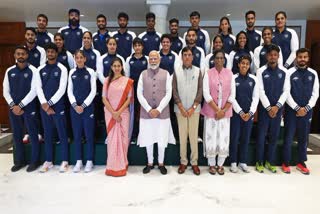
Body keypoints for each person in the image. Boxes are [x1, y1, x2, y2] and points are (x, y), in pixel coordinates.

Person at [3, 45, 40, 172]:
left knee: (32, 134)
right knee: (17, 135)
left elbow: (34, 90)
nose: (20, 56)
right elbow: (5, 91)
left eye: (23, 54)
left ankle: (34, 161)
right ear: (14, 56)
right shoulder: (9, 71)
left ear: (27, 55)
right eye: (18, 54)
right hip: (13, 108)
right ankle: (20, 161)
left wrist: (21, 105)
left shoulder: (33, 70)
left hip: (29, 107)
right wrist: (14, 105)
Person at [137, 51, 175, 175]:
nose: (153, 60)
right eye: (151, 58)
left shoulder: (166, 74)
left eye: (155, 58)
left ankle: (161, 163)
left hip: (162, 113)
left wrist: (159, 109)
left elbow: (169, 93)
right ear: (149, 60)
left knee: (161, 138)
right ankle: (149, 162)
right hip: (146, 113)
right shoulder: (143, 74)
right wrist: (149, 109)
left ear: (159, 60)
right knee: (148, 137)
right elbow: (139, 93)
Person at [282, 48, 319, 175]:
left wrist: (306, 108)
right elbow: (286, 93)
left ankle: (301, 162)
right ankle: (285, 162)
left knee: (304, 138)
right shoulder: (289, 73)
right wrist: (297, 108)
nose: (302, 59)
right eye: (300, 57)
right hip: (292, 111)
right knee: (288, 137)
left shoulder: (313, 74)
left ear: (308, 59)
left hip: (307, 111)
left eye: (305, 57)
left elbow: (315, 93)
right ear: (296, 58)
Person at [35, 43, 69, 173]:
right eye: (48, 52)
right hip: (44, 107)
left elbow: (62, 88)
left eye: (52, 52)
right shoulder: (40, 69)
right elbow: (38, 87)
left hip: (58, 105)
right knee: (47, 134)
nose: (50, 54)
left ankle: (64, 161)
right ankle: (48, 161)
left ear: (56, 53)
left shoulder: (62, 68)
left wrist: (50, 103)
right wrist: (44, 103)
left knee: (62, 133)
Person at [255, 44, 289, 173]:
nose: (273, 57)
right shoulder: (260, 71)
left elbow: (286, 91)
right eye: (270, 55)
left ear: (278, 56)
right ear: (267, 56)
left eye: (275, 55)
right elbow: (260, 90)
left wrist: (277, 106)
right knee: (261, 136)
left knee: (274, 137)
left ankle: (270, 161)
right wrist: (269, 107)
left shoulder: (284, 72)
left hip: (278, 110)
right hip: (265, 109)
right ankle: (259, 161)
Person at [201, 50, 235, 175]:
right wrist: (217, 110)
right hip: (211, 112)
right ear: (213, 60)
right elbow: (206, 93)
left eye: (222, 58)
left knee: (223, 138)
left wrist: (223, 110)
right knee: (211, 137)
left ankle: (220, 164)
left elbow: (232, 94)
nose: (219, 60)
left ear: (224, 60)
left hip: (225, 113)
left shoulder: (230, 74)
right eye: (217, 58)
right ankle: (211, 164)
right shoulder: (208, 73)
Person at [172, 47, 202, 175]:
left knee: (194, 137)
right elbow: (174, 90)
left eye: (189, 55)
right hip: (181, 111)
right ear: (182, 57)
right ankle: (183, 162)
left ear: (193, 57)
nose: (187, 57)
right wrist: (181, 107)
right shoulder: (176, 71)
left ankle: (194, 162)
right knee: (183, 137)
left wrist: (193, 107)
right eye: (185, 55)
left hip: (194, 111)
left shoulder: (198, 70)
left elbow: (200, 89)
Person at [103, 58, 134, 177]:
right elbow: (104, 98)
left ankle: (122, 164)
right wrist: (113, 113)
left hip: (123, 114)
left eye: (118, 66)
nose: (116, 68)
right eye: (114, 66)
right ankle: (112, 166)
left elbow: (129, 99)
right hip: (110, 114)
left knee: (123, 139)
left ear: (122, 67)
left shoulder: (127, 81)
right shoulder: (107, 81)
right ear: (111, 67)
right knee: (112, 140)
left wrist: (118, 112)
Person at [67, 50, 96, 173]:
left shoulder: (91, 72)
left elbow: (93, 91)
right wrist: (75, 105)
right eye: (77, 57)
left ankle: (89, 161)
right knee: (77, 136)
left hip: (87, 108)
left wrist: (83, 105)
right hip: (75, 109)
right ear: (74, 59)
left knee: (89, 135)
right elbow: (69, 90)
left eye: (81, 57)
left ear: (85, 59)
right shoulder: (71, 72)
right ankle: (78, 161)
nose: (79, 59)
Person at [229, 55, 259, 173]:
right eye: (243, 63)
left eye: (247, 63)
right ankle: (233, 162)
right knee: (235, 138)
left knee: (245, 138)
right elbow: (232, 97)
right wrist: (240, 112)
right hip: (237, 114)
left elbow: (255, 97)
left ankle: (243, 161)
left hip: (249, 114)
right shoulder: (233, 78)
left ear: (249, 65)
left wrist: (250, 112)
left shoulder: (254, 79)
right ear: (238, 64)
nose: (244, 65)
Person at [125, 38, 148, 141]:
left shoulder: (147, 59)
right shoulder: (129, 60)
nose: (137, 47)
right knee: (133, 112)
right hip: (133, 89)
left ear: (142, 47)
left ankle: (143, 134)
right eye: (136, 45)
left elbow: (149, 75)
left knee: (143, 111)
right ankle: (134, 134)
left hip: (144, 89)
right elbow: (127, 76)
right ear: (133, 47)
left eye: (139, 45)